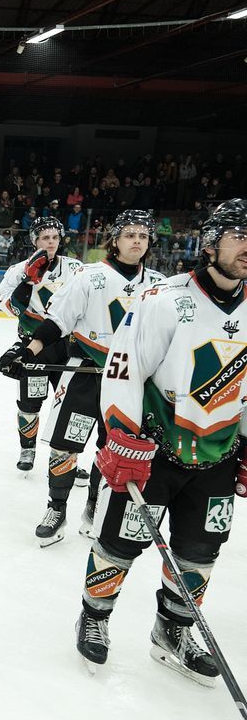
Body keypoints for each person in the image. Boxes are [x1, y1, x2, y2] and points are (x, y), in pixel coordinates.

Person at [73, 199, 247, 686]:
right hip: (154, 451)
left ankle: (172, 631)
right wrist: (123, 439)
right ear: (209, 245)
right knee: (119, 542)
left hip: (219, 454)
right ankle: (95, 616)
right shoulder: (163, 299)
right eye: (239, 237)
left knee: (200, 552)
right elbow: (124, 369)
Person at [4, 211, 165, 547]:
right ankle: (57, 508)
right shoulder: (90, 276)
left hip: (130, 384)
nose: (137, 241)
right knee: (65, 445)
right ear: (115, 240)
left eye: (143, 236)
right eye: (130, 235)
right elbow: (57, 322)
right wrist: (27, 351)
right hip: (83, 373)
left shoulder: (158, 285)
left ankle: (93, 507)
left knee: (111, 449)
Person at [0, 216, 84, 472]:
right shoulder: (18, 270)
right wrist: (27, 282)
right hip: (33, 347)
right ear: (35, 241)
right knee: (30, 404)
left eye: (55, 237)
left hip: (67, 348)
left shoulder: (76, 268)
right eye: (45, 238)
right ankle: (28, 449)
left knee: (70, 405)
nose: (51, 242)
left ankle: (67, 457)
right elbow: (7, 308)